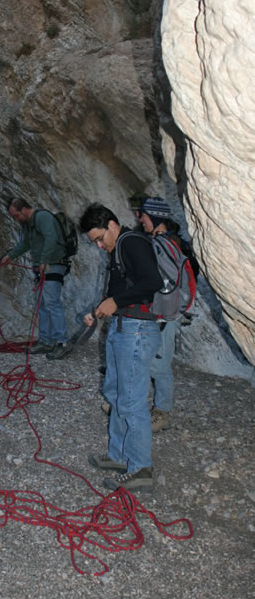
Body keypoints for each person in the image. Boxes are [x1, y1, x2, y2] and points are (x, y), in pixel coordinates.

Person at [79, 203, 162, 493]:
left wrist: (115, 303)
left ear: (112, 225)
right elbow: (118, 294)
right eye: (95, 242)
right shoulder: (118, 250)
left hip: (137, 330)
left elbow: (152, 282)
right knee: (115, 392)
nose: (100, 245)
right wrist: (100, 310)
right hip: (123, 328)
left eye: (100, 238)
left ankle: (140, 467)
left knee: (130, 399)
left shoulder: (132, 243)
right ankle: (118, 456)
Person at [138, 196, 198, 433]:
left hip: (164, 315)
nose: (140, 219)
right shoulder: (169, 242)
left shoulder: (163, 245)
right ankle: (141, 406)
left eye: (143, 215)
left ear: (154, 217)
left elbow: (162, 283)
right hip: (164, 314)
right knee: (152, 362)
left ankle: (162, 412)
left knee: (160, 366)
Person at [0, 197, 72, 360]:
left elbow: (51, 238)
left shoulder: (43, 217)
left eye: (16, 215)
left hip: (53, 264)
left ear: (24, 210)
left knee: (52, 302)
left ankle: (63, 343)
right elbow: (25, 244)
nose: (16, 219)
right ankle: (46, 341)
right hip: (44, 267)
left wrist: (44, 260)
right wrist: (10, 256)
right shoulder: (29, 225)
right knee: (43, 304)